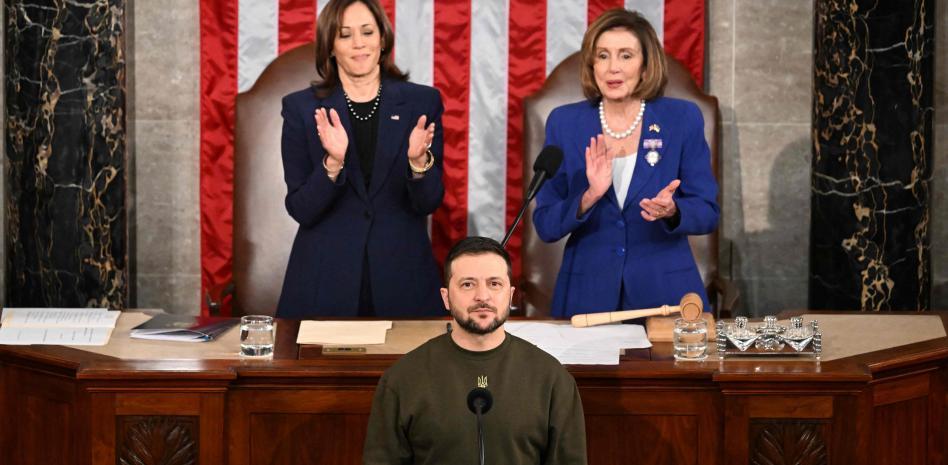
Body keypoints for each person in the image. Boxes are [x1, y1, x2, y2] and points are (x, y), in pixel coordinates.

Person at [533, 8, 720, 318]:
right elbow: (547, 224)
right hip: (587, 296)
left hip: (665, 296)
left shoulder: (681, 120)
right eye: (603, 55)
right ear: (591, 64)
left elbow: (707, 213)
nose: (612, 68)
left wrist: (673, 211)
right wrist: (589, 196)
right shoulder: (565, 123)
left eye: (625, 55)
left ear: (646, 67)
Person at [276, 0, 445, 318]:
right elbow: (301, 209)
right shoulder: (300, 109)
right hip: (324, 283)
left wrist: (418, 162)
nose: (358, 43)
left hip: (403, 279)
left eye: (368, 32)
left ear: (382, 39)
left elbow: (428, 203)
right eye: (345, 35)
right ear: (330, 46)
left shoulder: (421, 102)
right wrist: (332, 164)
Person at [363, 237, 587, 465]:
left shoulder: (552, 379)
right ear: (446, 297)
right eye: (467, 284)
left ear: (509, 295)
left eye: (494, 284)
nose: (482, 296)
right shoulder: (402, 379)